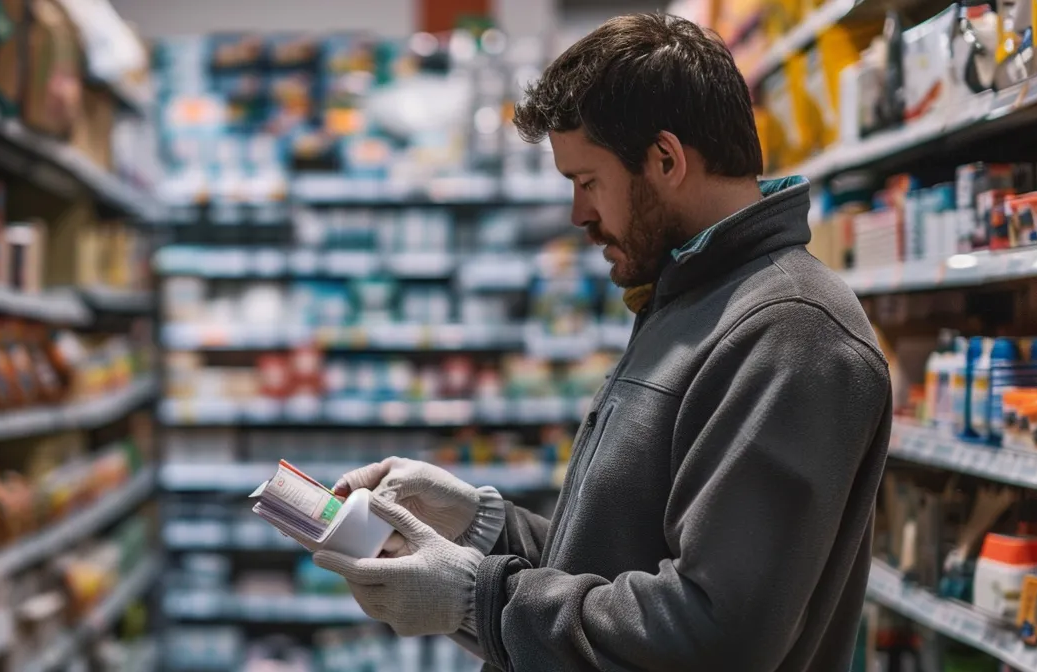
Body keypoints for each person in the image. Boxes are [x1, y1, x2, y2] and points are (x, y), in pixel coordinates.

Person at [310, 12, 892, 671]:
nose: (578, 216)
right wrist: (478, 525)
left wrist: (481, 601)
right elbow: (617, 562)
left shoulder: (793, 333)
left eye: (588, 183)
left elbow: (715, 633)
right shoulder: (688, 298)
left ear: (666, 160)